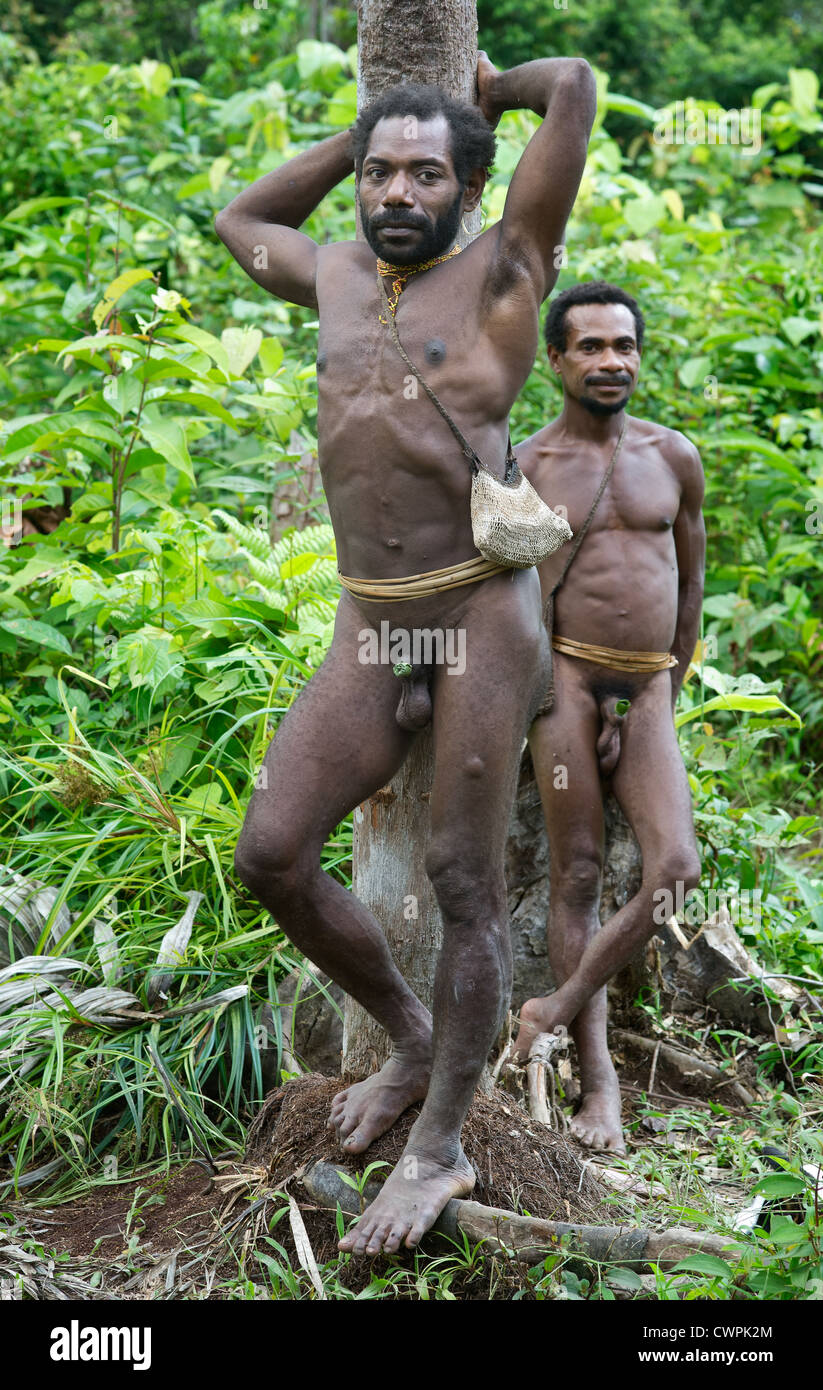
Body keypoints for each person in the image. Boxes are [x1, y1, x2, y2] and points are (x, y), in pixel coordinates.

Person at [215, 53, 596, 1253]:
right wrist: (359, 129)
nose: (394, 191)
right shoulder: (330, 274)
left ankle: (438, 1145)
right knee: (271, 853)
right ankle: (410, 1033)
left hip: (479, 607)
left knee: (461, 879)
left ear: (467, 185)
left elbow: (577, 86)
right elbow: (240, 219)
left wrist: (488, 87)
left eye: (424, 172)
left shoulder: (503, 270)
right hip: (373, 616)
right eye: (381, 173)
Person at [510, 282, 706, 1152]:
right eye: (588, 347)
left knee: (675, 867)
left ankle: (551, 1005)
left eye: (621, 346)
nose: (609, 362)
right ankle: (600, 1086)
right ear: (555, 360)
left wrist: (658, 694)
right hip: (565, 679)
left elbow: (690, 588)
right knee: (578, 873)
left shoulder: (674, 458)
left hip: (649, 684)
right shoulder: (527, 464)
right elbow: (507, 600)